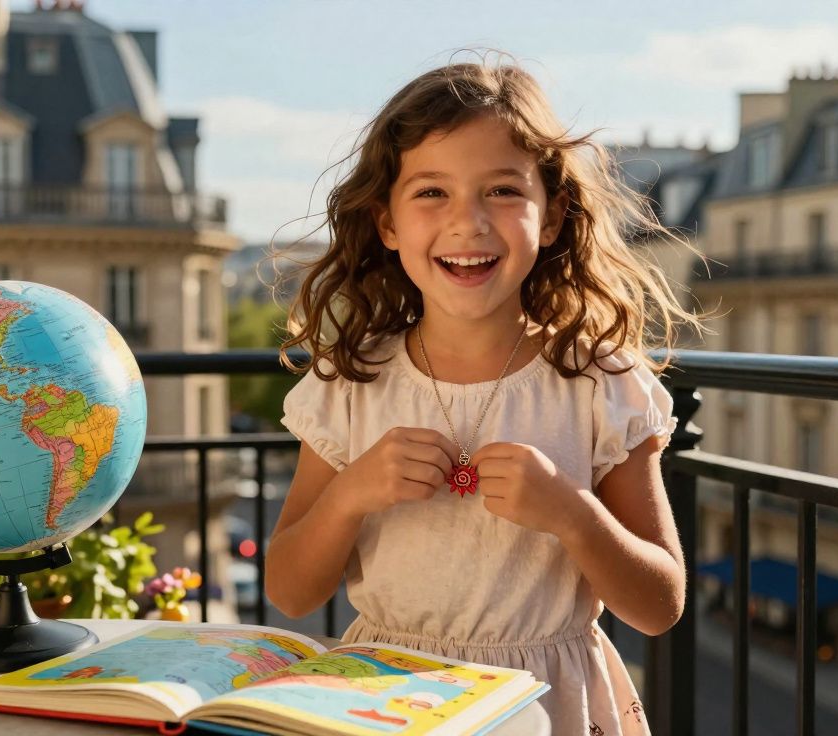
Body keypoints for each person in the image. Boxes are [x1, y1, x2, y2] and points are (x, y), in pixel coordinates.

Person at [264, 52, 706, 736]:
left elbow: (660, 604)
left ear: (552, 215)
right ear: (387, 223)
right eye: (432, 192)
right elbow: (290, 591)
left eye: (502, 191)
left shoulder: (602, 383)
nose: (467, 223)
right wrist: (351, 493)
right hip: (381, 704)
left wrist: (573, 514)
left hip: (547, 705)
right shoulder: (349, 385)